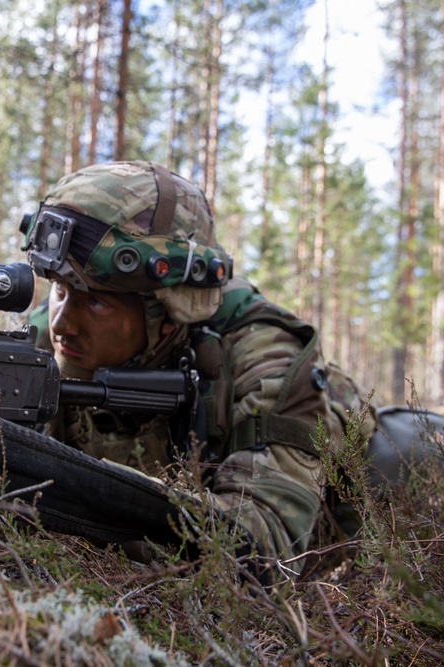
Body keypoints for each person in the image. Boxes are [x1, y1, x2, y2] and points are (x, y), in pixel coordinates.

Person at [19, 160, 355, 579]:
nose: (61, 323)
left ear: (168, 310)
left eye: (96, 301)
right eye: (59, 289)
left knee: (409, 452)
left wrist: (76, 490)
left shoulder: (264, 354)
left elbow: (263, 548)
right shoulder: (40, 340)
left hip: (339, 515)